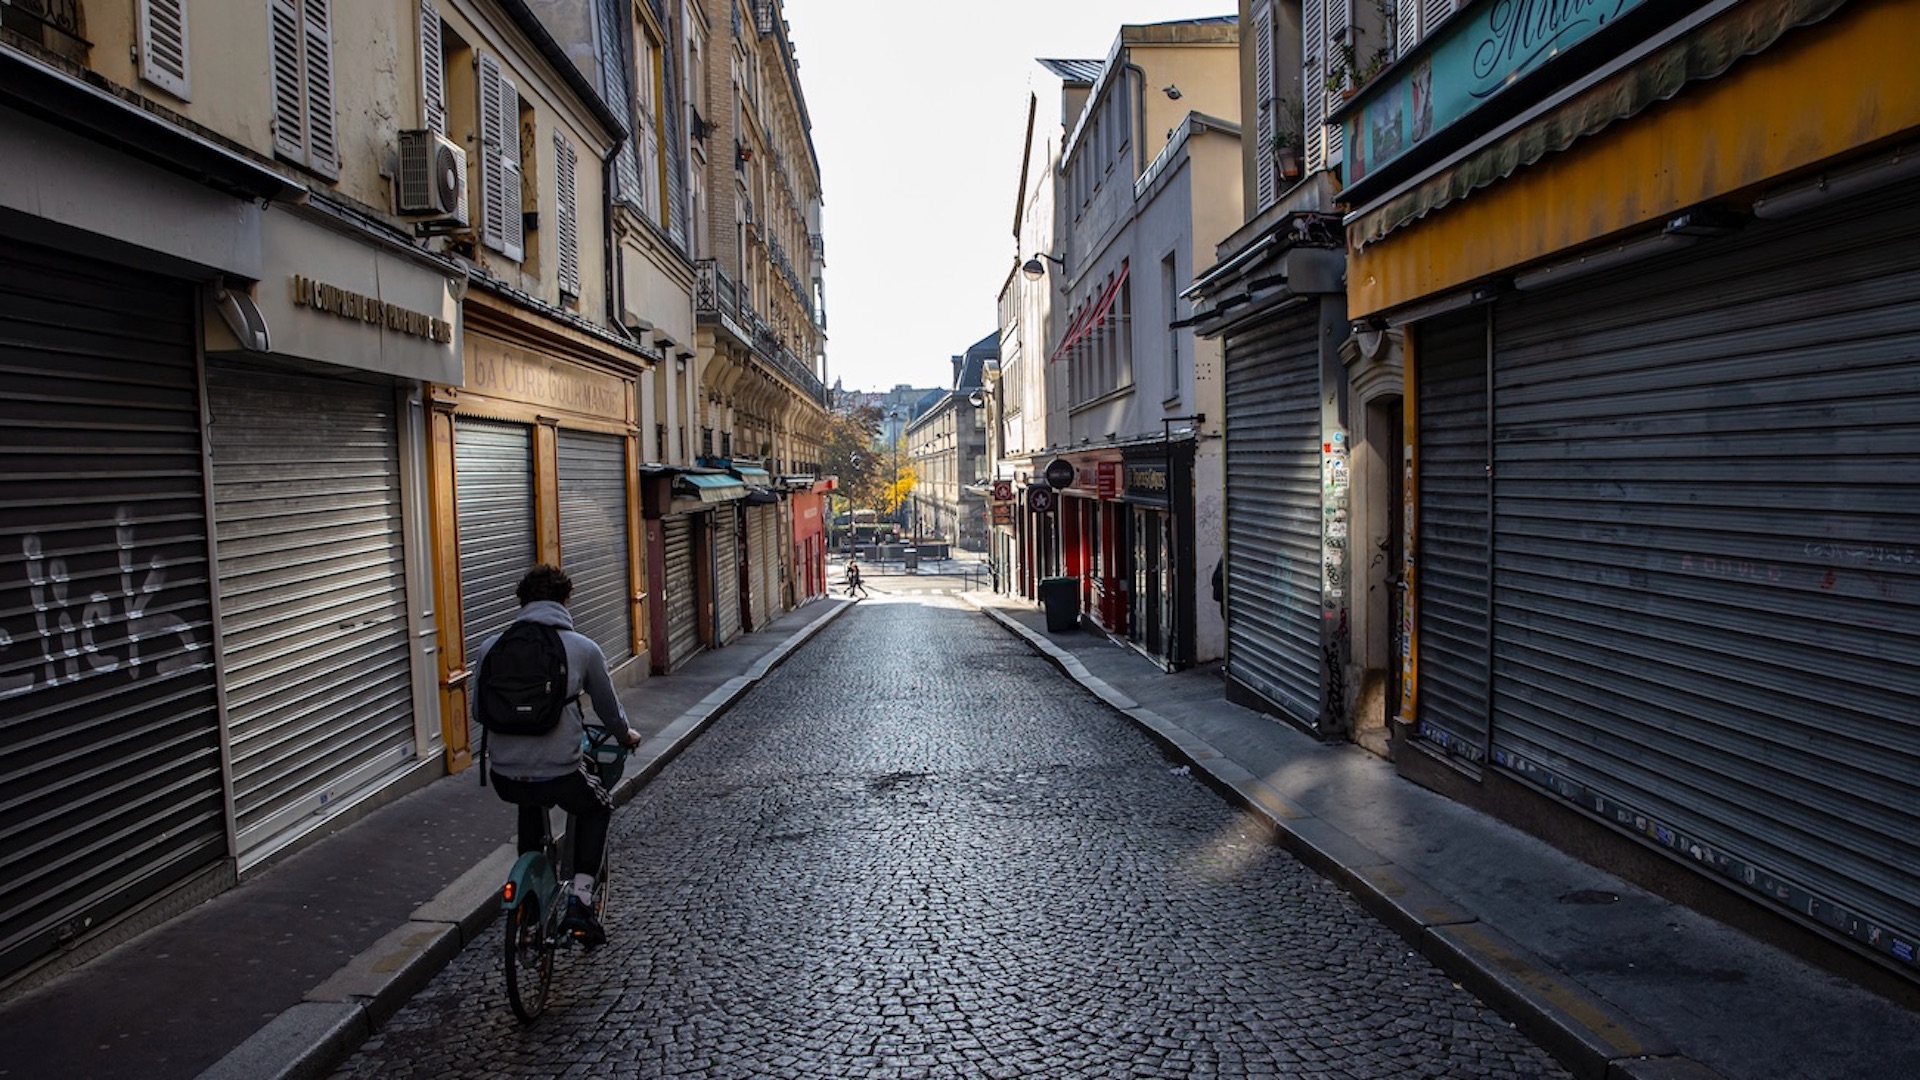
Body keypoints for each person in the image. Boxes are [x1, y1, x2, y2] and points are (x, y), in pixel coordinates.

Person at [475, 564, 642, 948]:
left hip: (504, 774)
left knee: (528, 800)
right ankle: (581, 900)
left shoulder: (491, 647)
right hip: (561, 771)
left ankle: (530, 907)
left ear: (522, 602)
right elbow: (609, 710)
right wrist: (627, 735)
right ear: (565, 600)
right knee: (596, 805)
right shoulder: (582, 648)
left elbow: (477, 713)